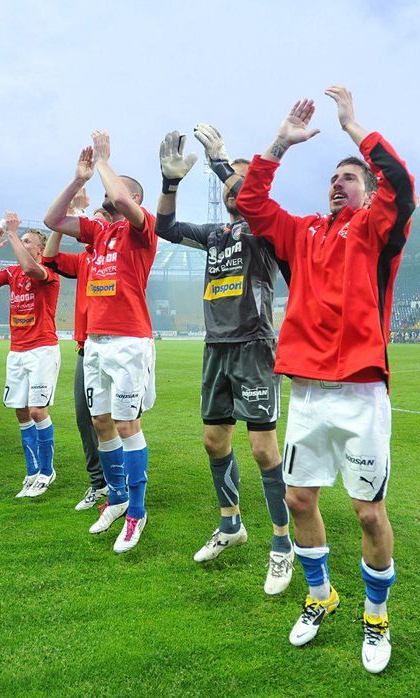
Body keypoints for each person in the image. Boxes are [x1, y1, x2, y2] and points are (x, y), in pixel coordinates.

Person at [236, 87, 415, 674]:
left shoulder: (376, 231)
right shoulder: (304, 232)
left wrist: (354, 128)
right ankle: (320, 596)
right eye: (334, 178)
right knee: (297, 498)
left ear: (367, 191)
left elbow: (403, 187)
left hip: (362, 394)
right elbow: (253, 202)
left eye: (350, 178)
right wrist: (280, 143)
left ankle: (376, 615)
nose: (339, 183)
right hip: (309, 393)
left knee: (368, 513)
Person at [154, 126, 293, 594]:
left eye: (241, 178)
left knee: (262, 450)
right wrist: (170, 184)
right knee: (215, 442)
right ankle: (231, 526)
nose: (233, 184)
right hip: (216, 347)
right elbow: (166, 228)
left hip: (254, 346)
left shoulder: (268, 229)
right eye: (229, 176)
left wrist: (224, 165)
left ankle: (282, 543)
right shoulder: (216, 234)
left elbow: (250, 199)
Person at [43, 132, 157, 553]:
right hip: (95, 342)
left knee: (128, 425)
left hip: (129, 341)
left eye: (117, 191)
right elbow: (53, 220)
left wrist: (107, 161)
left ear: (131, 196)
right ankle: (117, 496)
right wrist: (77, 180)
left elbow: (125, 204)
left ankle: (137, 512)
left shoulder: (142, 230)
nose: (109, 199)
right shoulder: (98, 235)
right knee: (101, 422)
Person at [0, 212, 62, 498]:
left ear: (39, 248)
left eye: (27, 241)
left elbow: (31, 269)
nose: (21, 243)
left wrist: (11, 234)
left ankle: (47, 470)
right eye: (21, 239)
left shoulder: (47, 271)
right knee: (21, 412)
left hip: (42, 348)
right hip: (18, 350)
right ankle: (32, 470)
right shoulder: (11, 273)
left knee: (37, 410)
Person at [42, 188, 108, 512]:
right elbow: (49, 258)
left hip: (115, 344)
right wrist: (65, 217)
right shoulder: (83, 260)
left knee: (113, 421)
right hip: (86, 348)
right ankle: (98, 483)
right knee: (85, 420)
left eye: (94, 223)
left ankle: (122, 485)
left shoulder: (118, 254)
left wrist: (82, 214)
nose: (85, 227)